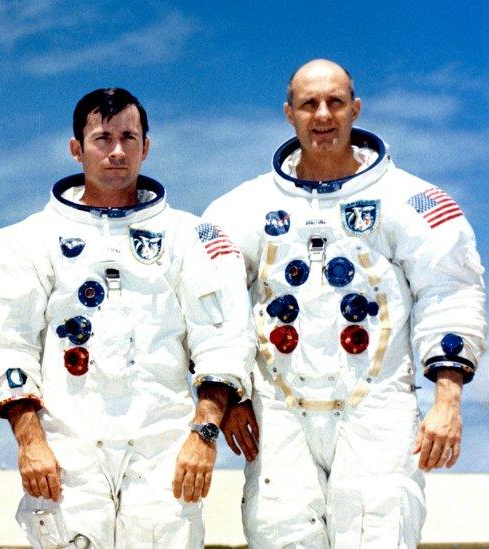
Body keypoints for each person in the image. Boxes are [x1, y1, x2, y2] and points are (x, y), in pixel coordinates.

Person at [204, 59, 486, 548]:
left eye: (335, 102)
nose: (323, 115)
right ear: (289, 113)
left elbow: (451, 291)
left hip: (374, 406)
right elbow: (211, 308)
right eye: (309, 103)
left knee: (378, 531)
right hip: (279, 411)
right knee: (279, 533)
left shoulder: (411, 201)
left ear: (355, 109)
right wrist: (229, 400)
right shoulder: (239, 210)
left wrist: (448, 401)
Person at [0, 88, 253, 547]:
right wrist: (30, 442)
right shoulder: (26, 240)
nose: (117, 151)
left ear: (146, 146)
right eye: (102, 138)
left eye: (129, 137)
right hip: (67, 449)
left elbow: (222, 339)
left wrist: (204, 433)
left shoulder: (192, 237)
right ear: (76, 148)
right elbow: (8, 344)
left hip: (164, 448)